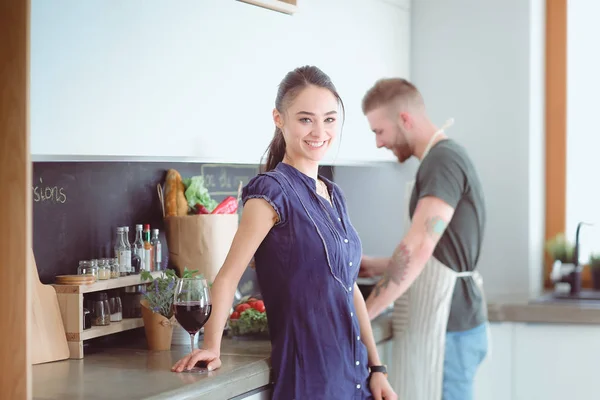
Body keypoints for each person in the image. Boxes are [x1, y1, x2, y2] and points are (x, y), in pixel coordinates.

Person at [171, 66, 397, 400]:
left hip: (355, 376)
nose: (319, 130)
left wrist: (377, 369)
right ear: (280, 119)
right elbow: (228, 277)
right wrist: (212, 348)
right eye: (306, 119)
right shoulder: (271, 191)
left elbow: (349, 289)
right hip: (311, 380)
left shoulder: (333, 194)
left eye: (330, 119)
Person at [358, 78, 488, 400]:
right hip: (456, 323)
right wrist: (376, 266)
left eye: (379, 131)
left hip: (450, 326)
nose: (378, 143)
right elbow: (443, 251)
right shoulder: (442, 159)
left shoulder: (442, 161)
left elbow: (418, 247)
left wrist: (364, 312)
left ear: (404, 119)